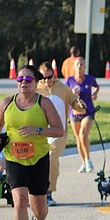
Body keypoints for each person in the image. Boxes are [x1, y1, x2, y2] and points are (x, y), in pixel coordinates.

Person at [0, 65, 64, 220]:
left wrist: (38, 130)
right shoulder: (7, 102)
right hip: (14, 158)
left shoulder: (44, 103)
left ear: (35, 82)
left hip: (39, 158)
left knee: (39, 207)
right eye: (20, 79)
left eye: (28, 79)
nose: (23, 82)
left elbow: (59, 130)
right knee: (20, 200)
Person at [36, 61, 86, 206]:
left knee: (50, 159)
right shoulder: (35, 89)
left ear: (54, 74)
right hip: (39, 133)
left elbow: (75, 103)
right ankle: (37, 193)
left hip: (59, 133)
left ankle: (48, 193)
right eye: (42, 78)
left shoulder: (63, 89)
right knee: (40, 162)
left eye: (49, 77)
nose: (46, 81)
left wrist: (80, 105)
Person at [64, 57, 99, 173]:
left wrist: (94, 94)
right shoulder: (69, 81)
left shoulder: (90, 79)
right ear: (74, 67)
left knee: (83, 134)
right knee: (78, 138)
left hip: (88, 111)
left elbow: (97, 87)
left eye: (82, 64)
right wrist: (72, 93)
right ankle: (83, 162)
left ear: (85, 67)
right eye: (77, 64)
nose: (79, 66)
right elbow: (64, 95)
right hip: (74, 112)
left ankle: (88, 160)